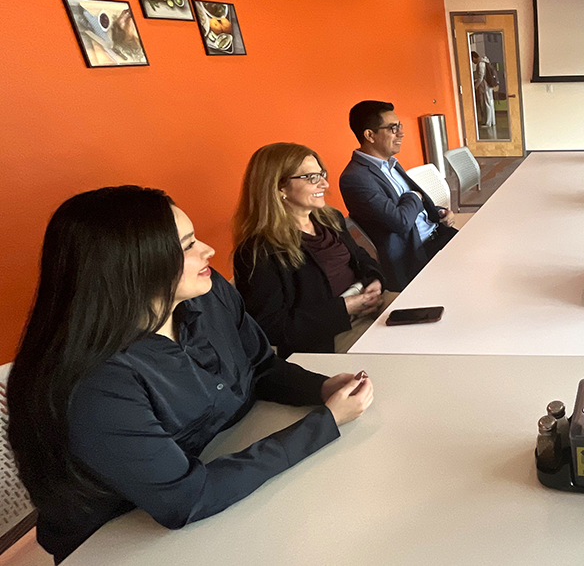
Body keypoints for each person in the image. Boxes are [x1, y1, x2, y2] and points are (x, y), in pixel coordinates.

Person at [7, 186, 374, 562]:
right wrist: (325, 422)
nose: (208, 250)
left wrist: (321, 387)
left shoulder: (207, 293)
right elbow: (186, 499)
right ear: (130, 265)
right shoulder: (95, 382)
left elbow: (261, 367)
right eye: (186, 246)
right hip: (125, 540)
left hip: (230, 479)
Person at [233, 143, 389, 356]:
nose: (324, 184)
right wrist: (345, 309)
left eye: (321, 174)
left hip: (371, 305)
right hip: (329, 339)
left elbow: (361, 258)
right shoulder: (258, 251)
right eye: (311, 177)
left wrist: (375, 280)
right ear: (279, 187)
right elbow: (271, 327)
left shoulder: (330, 219)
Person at [340, 100, 458, 290]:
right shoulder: (355, 178)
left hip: (438, 234)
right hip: (416, 255)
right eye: (393, 128)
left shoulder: (391, 163)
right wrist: (415, 197)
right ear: (370, 135)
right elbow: (400, 221)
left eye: (399, 126)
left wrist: (439, 211)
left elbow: (411, 206)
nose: (401, 133)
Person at [472, 51, 495, 128]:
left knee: (487, 103)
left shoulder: (481, 63)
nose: (473, 62)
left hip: (485, 85)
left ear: (474, 58)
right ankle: (492, 121)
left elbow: (480, 76)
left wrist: (476, 85)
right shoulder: (485, 61)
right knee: (490, 103)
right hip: (488, 85)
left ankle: (488, 123)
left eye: (472, 60)